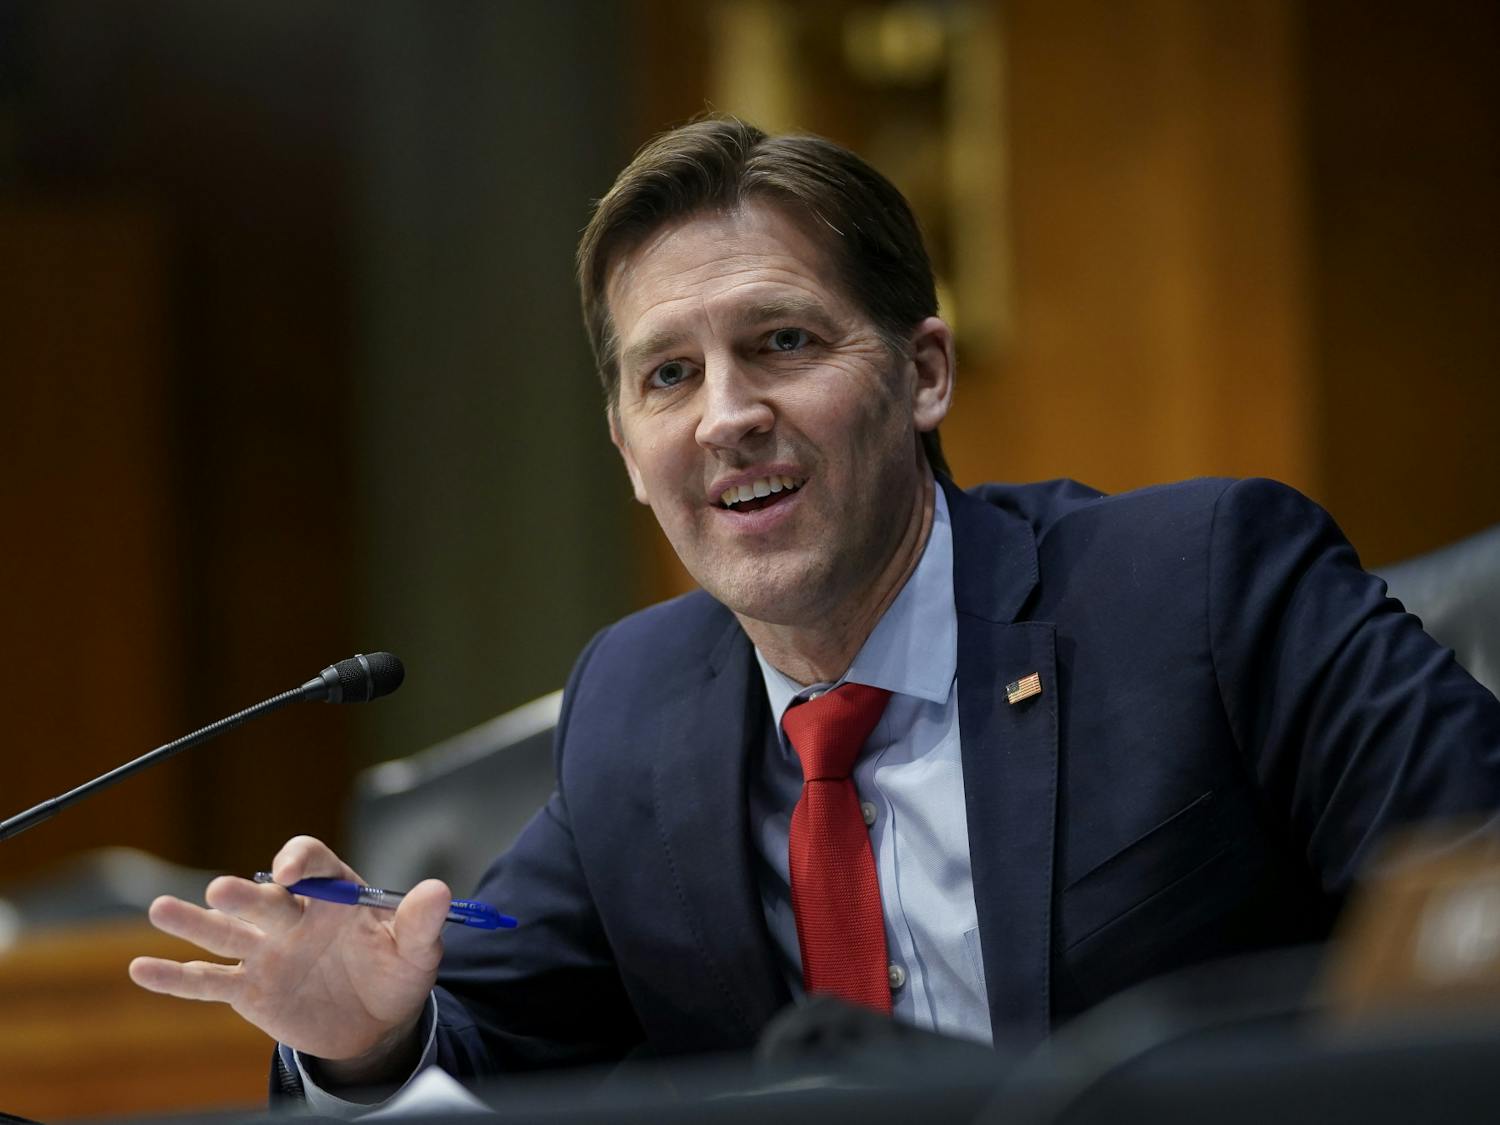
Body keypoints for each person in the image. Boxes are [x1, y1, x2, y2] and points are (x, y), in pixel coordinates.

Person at [130, 117, 1500, 1106]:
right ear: (626, 451)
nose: (727, 415)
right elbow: (486, 1039)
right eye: (669, 375)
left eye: (781, 341)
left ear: (923, 374)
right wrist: (367, 1038)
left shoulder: (1200, 583)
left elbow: (1475, 895)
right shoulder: (637, 712)